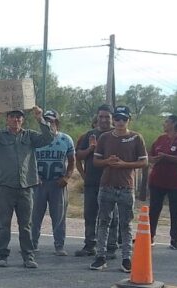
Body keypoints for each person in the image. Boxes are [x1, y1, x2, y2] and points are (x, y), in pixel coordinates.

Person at [0, 105, 55, 269]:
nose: (16, 119)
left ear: (23, 119)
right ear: (7, 119)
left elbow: (49, 139)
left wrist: (40, 119)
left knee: (26, 225)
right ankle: (2, 255)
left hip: (26, 187)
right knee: (3, 224)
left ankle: (28, 256)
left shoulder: (30, 136)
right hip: (5, 186)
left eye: (19, 117)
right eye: (12, 116)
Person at [89, 106, 148, 272]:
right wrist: (108, 161)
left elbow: (144, 162)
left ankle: (126, 258)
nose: (120, 122)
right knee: (103, 222)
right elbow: (96, 161)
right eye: (117, 119)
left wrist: (125, 165)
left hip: (126, 187)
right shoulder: (105, 138)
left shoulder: (136, 138)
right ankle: (100, 256)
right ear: (113, 120)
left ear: (129, 120)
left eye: (124, 119)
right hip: (106, 185)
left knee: (126, 224)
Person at [74, 105, 120, 257]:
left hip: (112, 181)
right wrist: (90, 149)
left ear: (112, 118)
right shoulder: (89, 135)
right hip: (92, 181)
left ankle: (110, 247)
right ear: (97, 118)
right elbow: (78, 155)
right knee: (90, 214)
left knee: (111, 216)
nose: (104, 120)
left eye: (107, 117)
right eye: (101, 117)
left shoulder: (118, 135)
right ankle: (89, 245)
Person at [31, 109, 75, 256]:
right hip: (39, 183)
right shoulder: (37, 139)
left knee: (59, 216)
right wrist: (35, 176)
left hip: (58, 183)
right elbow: (29, 161)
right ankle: (32, 244)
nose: (49, 124)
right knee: (35, 216)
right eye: (46, 121)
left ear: (57, 123)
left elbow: (72, 161)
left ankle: (59, 245)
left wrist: (67, 177)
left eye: (52, 121)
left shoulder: (66, 139)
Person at [147, 115, 177, 250]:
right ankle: (150, 236)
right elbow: (150, 155)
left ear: (173, 124)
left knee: (175, 210)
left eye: (166, 122)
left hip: (176, 181)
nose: (164, 124)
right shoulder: (161, 139)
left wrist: (165, 156)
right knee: (154, 208)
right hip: (158, 179)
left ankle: (174, 239)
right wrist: (152, 159)